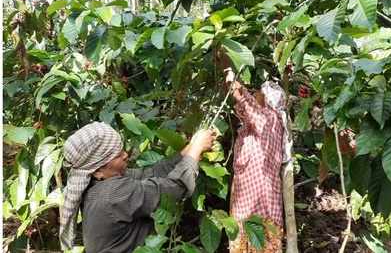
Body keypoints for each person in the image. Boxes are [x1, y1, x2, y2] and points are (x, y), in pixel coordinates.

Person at [59, 121, 215, 253]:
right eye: (117, 155)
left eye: (121, 149)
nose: (125, 154)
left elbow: (151, 173)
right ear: (98, 169)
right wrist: (196, 150)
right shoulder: (113, 193)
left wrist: (188, 150)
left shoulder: (98, 182)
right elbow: (173, 190)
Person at [224, 67, 289, 253]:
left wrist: (236, 86)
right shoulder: (264, 120)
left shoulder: (269, 119)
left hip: (257, 197)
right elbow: (245, 110)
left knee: (256, 239)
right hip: (252, 192)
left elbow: (247, 105)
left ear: (267, 99)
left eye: (258, 93)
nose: (255, 95)